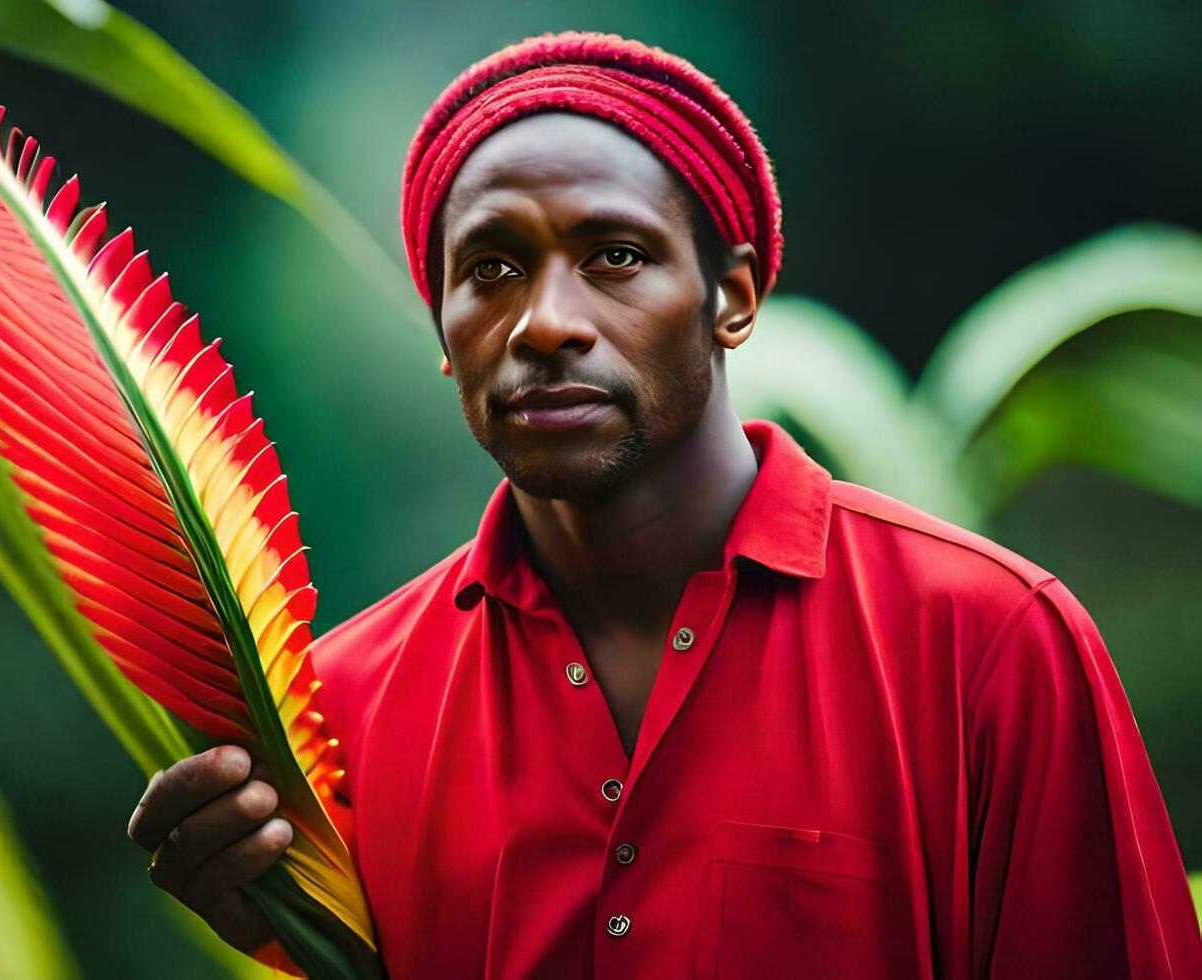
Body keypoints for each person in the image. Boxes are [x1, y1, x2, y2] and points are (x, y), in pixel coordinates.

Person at [126, 32, 1202, 977]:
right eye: (491, 268)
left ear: (732, 296)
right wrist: (274, 912)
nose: (545, 321)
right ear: (443, 335)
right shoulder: (337, 716)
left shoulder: (990, 640)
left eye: (617, 256)